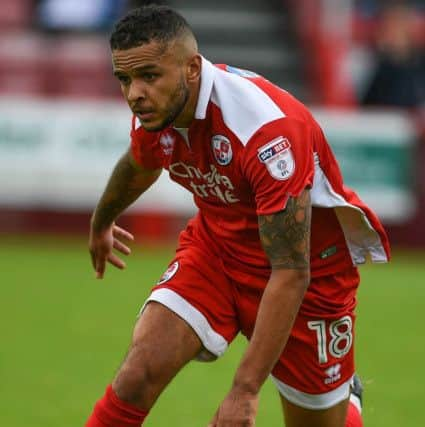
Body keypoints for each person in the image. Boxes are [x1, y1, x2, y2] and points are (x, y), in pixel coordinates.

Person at [85, 5, 390, 427]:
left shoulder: (265, 132)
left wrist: (244, 390)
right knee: (138, 372)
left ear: (192, 68)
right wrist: (103, 220)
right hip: (218, 250)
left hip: (309, 274)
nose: (134, 93)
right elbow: (141, 162)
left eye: (148, 76)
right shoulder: (160, 111)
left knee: (320, 422)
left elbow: (290, 272)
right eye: (125, 79)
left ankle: (345, 401)